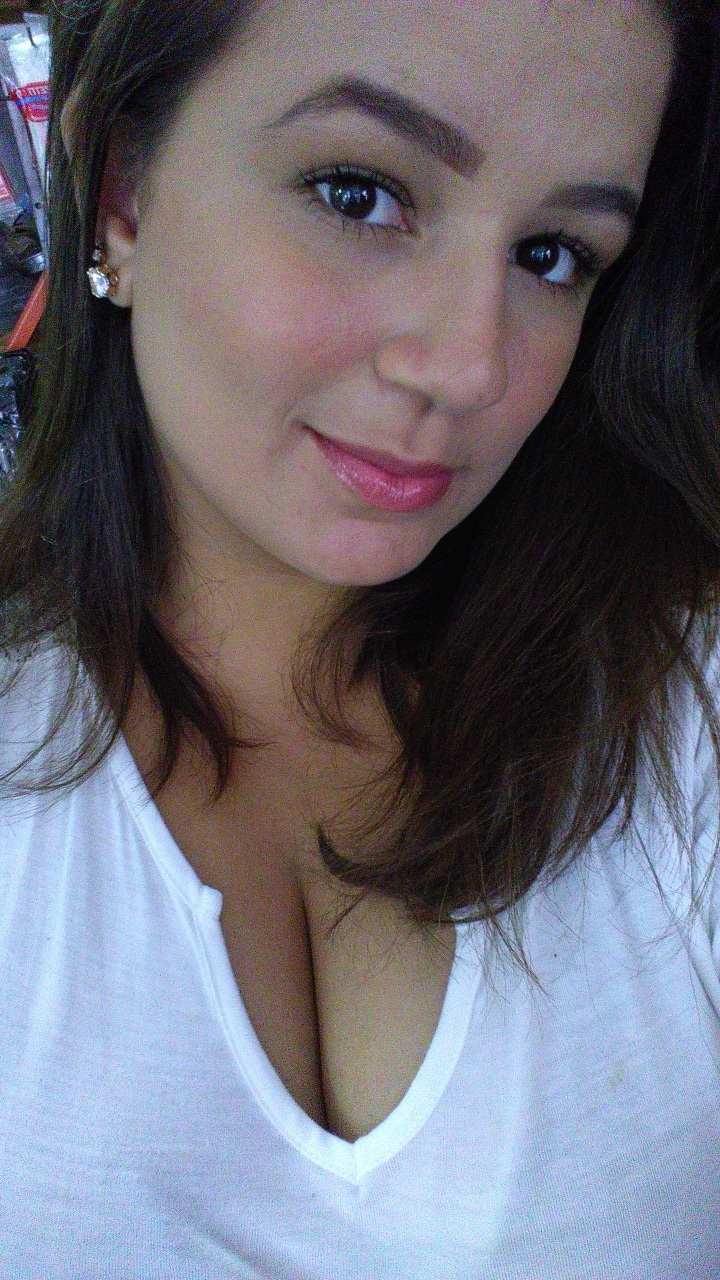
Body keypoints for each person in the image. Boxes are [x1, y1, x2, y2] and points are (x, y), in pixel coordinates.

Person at [0, 0, 717, 1273]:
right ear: (120, 193)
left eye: (553, 254)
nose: (469, 366)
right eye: (359, 192)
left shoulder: (681, 720)